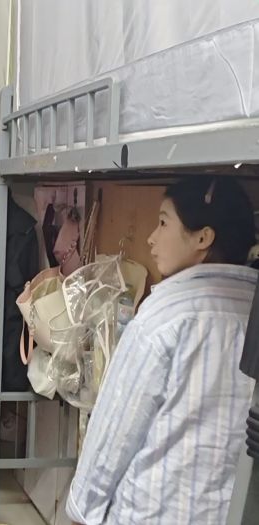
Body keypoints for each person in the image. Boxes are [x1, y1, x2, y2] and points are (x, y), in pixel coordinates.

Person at [66, 177, 258, 524]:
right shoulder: (252, 311)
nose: (151, 238)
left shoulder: (165, 317)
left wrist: (82, 508)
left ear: (203, 238)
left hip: (154, 511)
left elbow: (116, 431)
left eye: (164, 222)